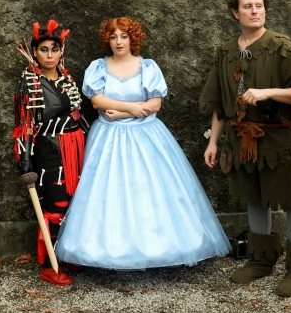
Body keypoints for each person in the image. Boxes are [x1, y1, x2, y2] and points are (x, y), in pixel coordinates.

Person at [56, 17, 229, 270]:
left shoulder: (147, 67)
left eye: (124, 36)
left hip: (146, 135)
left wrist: (122, 113)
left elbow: (155, 104)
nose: (118, 42)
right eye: (113, 37)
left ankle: (157, 247)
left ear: (132, 39)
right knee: (109, 189)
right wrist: (132, 108)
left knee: (149, 189)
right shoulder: (99, 67)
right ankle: (108, 250)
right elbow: (97, 102)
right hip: (109, 137)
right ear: (107, 40)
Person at [200, 0, 291, 297]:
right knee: (254, 198)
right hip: (242, 139)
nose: (255, 11)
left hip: (280, 139)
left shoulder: (281, 46)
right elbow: (220, 103)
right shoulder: (227, 51)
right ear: (235, 13)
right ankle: (261, 260)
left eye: (259, 5)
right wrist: (213, 142)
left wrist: (267, 93)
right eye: (247, 6)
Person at [11, 20, 86, 286]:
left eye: (55, 49)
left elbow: (78, 114)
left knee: (75, 203)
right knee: (57, 205)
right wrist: (24, 160)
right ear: (34, 52)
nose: (50, 55)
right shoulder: (29, 83)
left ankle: (64, 255)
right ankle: (48, 265)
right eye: (44, 50)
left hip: (76, 146)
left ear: (61, 51)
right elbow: (23, 124)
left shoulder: (67, 78)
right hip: (49, 148)